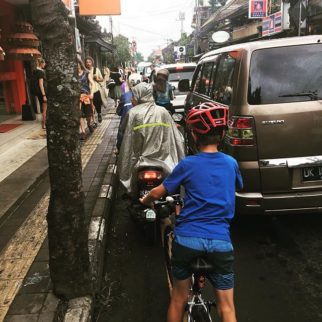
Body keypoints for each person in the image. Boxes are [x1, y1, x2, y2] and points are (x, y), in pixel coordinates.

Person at [140, 102, 243, 322]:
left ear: (194, 136)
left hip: (188, 241)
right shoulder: (231, 163)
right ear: (223, 133)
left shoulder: (187, 164)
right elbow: (237, 186)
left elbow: (159, 192)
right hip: (220, 243)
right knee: (227, 308)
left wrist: (146, 200)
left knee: (178, 299)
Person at [118, 82, 185, 197]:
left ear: (140, 95)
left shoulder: (133, 113)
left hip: (139, 164)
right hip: (165, 163)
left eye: (133, 96)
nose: (132, 99)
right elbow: (176, 138)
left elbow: (123, 135)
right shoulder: (163, 112)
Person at [78, 59, 94, 140]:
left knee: (88, 114)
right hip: (78, 97)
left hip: (86, 96)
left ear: (80, 64)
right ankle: (83, 131)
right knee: (80, 114)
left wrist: (91, 93)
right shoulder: (73, 75)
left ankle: (89, 123)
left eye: (77, 64)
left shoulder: (86, 73)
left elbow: (92, 83)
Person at [84, 56, 104, 123]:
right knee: (90, 106)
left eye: (89, 62)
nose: (88, 63)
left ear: (92, 62)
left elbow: (102, 79)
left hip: (96, 89)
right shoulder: (84, 71)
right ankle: (94, 120)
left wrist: (97, 79)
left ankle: (99, 114)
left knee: (97, 104)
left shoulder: (96, 70)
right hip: (87, 91)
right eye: (87, 62)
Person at [116, 80, 133, 151]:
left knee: (121, 131)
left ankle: (119, 149)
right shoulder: (135, 94)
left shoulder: (123, 97)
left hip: (125, 118)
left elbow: (119, 112)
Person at [34, 57, 47, 129]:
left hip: (39, 93)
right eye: (44, 63)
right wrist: (44, 95)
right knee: (45, 109)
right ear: (41, 63)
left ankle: (44, 123)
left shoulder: (35, 71)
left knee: (43, 109)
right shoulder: (40, 72)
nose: (45, 64)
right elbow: (41, 84)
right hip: (42, 93)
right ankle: (44, 124)